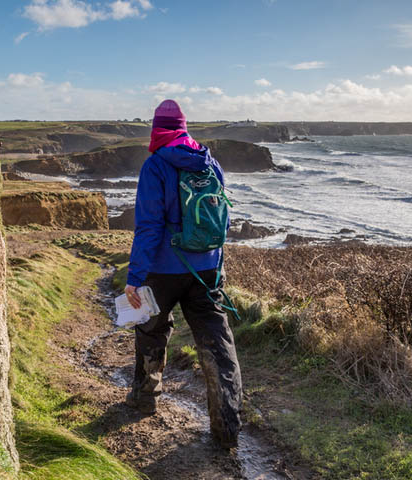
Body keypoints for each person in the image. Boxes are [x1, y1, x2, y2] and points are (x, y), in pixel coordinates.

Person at [124, 99, 242, 448]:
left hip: (163, 268)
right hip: (205, 267)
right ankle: (227, 426)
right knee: (217, 343)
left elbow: (148, 226)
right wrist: (216, 264)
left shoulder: (156, 165)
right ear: (184, 127)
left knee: (151, 328)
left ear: (157, 129)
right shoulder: (209, 162)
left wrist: (135, 276)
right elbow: (222, 219)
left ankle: (145, 397)